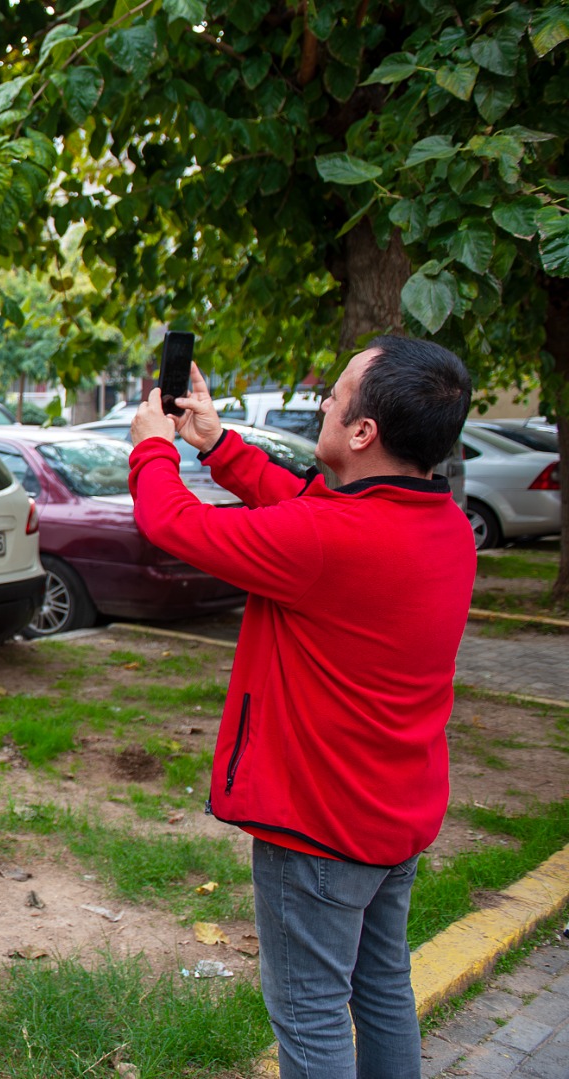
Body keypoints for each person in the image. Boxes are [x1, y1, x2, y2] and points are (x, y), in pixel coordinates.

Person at [127, 337, 475, 1078]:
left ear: (363, 431)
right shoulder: (443, 525)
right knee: (383, 987)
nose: (323, 401)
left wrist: (153, 448)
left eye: (337, 393)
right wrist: (218, 445)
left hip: (319, 826)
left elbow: (174, 524)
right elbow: (305, 508)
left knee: (311, 1013)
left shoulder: (327, 540)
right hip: (394, 816)